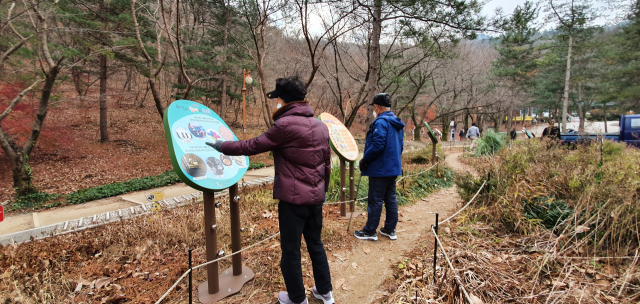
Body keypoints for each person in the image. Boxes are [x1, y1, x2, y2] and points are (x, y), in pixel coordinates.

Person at [207, 76, 334, 304]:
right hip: (316, 199)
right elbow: (327, 164)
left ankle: (296, 298)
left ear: (284, 100)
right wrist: (321, 191)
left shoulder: (284, 126)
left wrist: (221, 146)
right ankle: (325, 292)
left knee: (291, 251)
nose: (278, 103)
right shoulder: (320, 126)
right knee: (316, 245)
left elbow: (252, 145)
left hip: (293, 201)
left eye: (279, 99)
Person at [354, 93, 404, 241]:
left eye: (374, 106)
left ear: (378, 106)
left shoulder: (381, 122)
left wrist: (365, 159)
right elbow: (400, 146)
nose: (374, 109)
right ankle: (390, 229)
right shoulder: (396, 123)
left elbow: (378, 145)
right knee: (390, 198)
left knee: (375, 199)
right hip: (393, 167)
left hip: (380, 168)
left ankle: (370, 231)